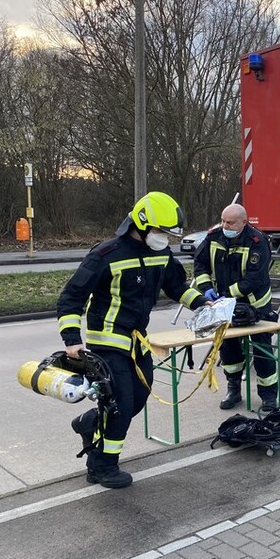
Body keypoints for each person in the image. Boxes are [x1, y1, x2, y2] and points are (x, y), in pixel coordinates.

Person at [58, 191, 207, 488]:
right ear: (140, 225)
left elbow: (176, 286)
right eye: (159, 231)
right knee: (121, 404)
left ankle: (89, 423)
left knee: (139, 397)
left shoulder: (160, 254)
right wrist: (72, 339)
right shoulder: (106, 254)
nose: (164, 238)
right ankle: (101, 467)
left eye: (167, 233)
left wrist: (203, 304)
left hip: (138, 342)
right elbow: (71, 297)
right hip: (107, 343)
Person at [194, 203, 278, 412]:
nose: (225, 225)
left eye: (230, 222)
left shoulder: (257, 241)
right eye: (223, 220)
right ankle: (233, 391)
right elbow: (200, 265)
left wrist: (227, 293)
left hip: (255, 305)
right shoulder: (213, 237)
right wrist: (205, 288)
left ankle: (268, 397)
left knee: (262, 351)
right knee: (229, 350)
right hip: (225, 306)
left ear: (243, 222)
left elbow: (255, 278)